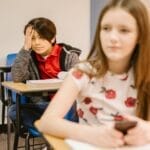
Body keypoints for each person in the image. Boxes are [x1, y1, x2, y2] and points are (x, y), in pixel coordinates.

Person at [37, 0, 150, 148]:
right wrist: (92, 134)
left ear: (140, 36)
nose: (113, 37)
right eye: (106, 28)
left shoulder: (146, 73)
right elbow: (46, 122)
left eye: (124, 30)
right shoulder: (83, 72)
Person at [8, 17, 81, 128]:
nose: (37, 43)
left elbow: (79, 82)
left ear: (52, 38)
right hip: (42, 105)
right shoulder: (29, 57)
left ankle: (49, 128)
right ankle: (50, 128)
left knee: (69, 109)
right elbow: (17, 77)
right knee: (13, 111)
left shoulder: (68, 55)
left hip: (65, 105)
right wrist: (25, 48)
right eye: (32, 38)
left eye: (41, 38)